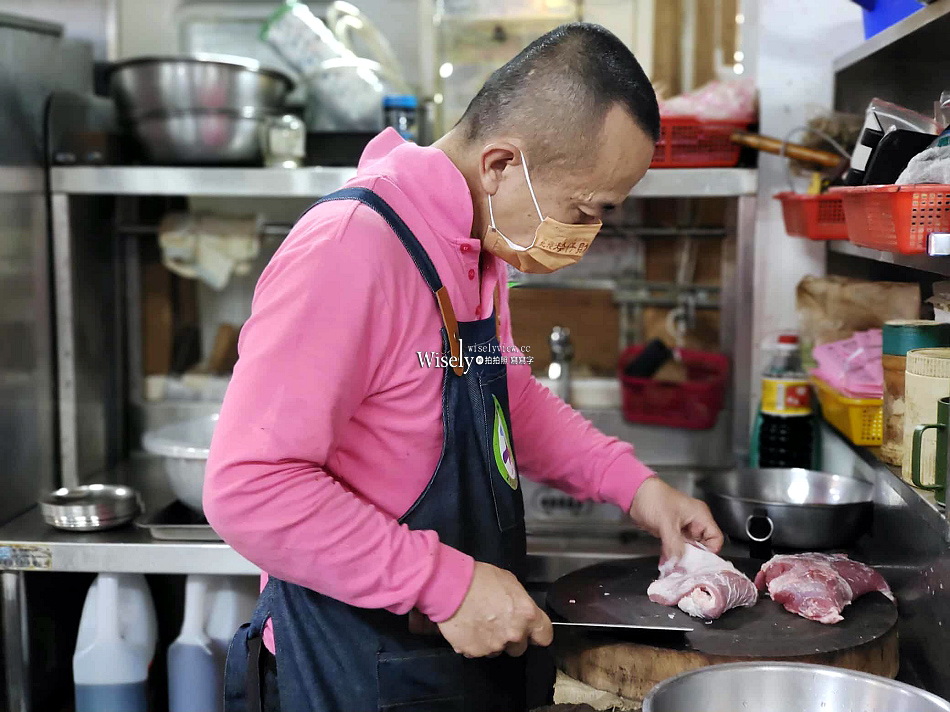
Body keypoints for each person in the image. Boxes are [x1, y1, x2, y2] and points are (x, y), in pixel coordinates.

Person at [206, 22, 724, 712]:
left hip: (435, 666)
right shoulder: (351, 248)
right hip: (349, 666)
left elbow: (507, 399)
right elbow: (250, 486)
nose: (588, 236)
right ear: (501, 164)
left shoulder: (473, 247)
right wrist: (443, 584)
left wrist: (637, 488)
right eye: (584, 210)